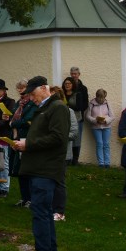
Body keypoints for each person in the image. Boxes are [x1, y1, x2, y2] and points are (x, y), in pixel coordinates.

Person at [11, 76, 70, 251]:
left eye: (33, 93)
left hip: (46, 168)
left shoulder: (57, 108)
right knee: (43, 210)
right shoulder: (44, 109)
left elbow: (58, 138)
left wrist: (28, 144)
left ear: (44, 88)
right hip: (39, 167)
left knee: (41, 211)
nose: (32, 98)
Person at [49, 86, 78, 222]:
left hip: (62, 152)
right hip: (48, 152)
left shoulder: (68, 111)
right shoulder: (48, 111)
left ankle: (59, 211)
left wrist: (59, 137)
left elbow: (74, 131)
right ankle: (50, 207)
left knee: (59, 182)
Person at [9, 78, 37, 208]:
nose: (20, 91)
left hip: (27, 138)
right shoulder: (18, 103)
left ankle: (31, 198)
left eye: (23, 88)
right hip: (16, 138)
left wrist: (13, 123)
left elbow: (29, 121)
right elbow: (12, 117)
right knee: (20, 170)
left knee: (28, 170)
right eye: (18, 88)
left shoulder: (32, 103)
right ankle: (24, 198)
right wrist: (8, 118)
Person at [86, 88, 114, 168]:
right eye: (99, 97)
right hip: (96, 127)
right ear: (96, 96)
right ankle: (101, 163)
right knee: (99, 144)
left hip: (106, 127)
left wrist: (106, 121)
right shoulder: (92, 103)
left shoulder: (107, 103)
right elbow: (87, 116)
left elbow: (112, 116)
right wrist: (95, 120)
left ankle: (107, 163)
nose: (101, 99)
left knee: (106, 144)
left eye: (103, 97)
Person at [67, 67, 90, 163]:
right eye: (72, 73)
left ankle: (75, 159)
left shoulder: (83, 88)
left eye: (75, 73)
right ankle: (68, 157)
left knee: (77, 137)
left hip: (78, 116)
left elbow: (86, 103)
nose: (73, 75)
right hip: (67, 115)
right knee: (68, 136)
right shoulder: (66, 86)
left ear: (79, 74)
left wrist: (79, 109)